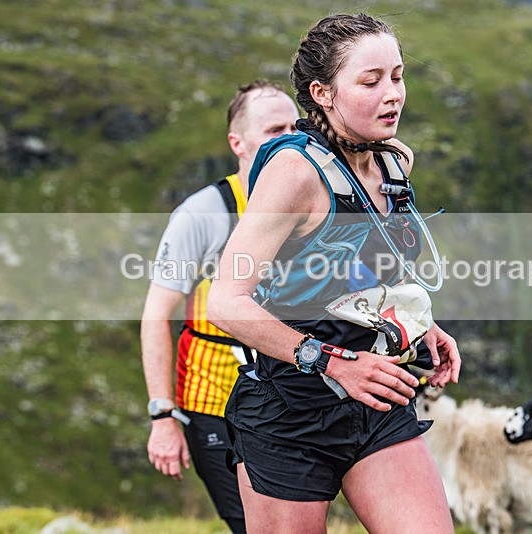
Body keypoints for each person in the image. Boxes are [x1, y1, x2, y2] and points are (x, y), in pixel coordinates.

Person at [206, 13, 461, 534]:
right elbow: (225, 302)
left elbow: (369, 270)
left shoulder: (394, 164)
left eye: (397, 76)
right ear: (322, 93)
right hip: (289, 412)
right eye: (371, 81)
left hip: (376, 396)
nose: (393, 94)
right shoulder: (294, 173)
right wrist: (336, 363)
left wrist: (420, 324)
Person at [140, 80, 299, 534]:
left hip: (293, 398)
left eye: (296, 127)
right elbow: (157, 315)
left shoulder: (314, 200)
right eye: (274, 130)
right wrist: (162, 416)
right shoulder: (204, 213)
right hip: (215, 402)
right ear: (238, 143)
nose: (290, 138)